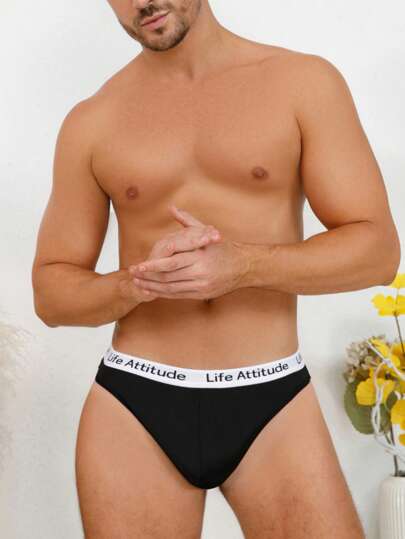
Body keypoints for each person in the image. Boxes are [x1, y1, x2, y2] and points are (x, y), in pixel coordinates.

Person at [31, 1, 400, 537]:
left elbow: (378, 252)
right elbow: (51, 294)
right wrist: (138, 282)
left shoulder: (302, 83)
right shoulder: (93, 120)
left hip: (272, 395)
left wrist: (244, 266)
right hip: (135, 402)